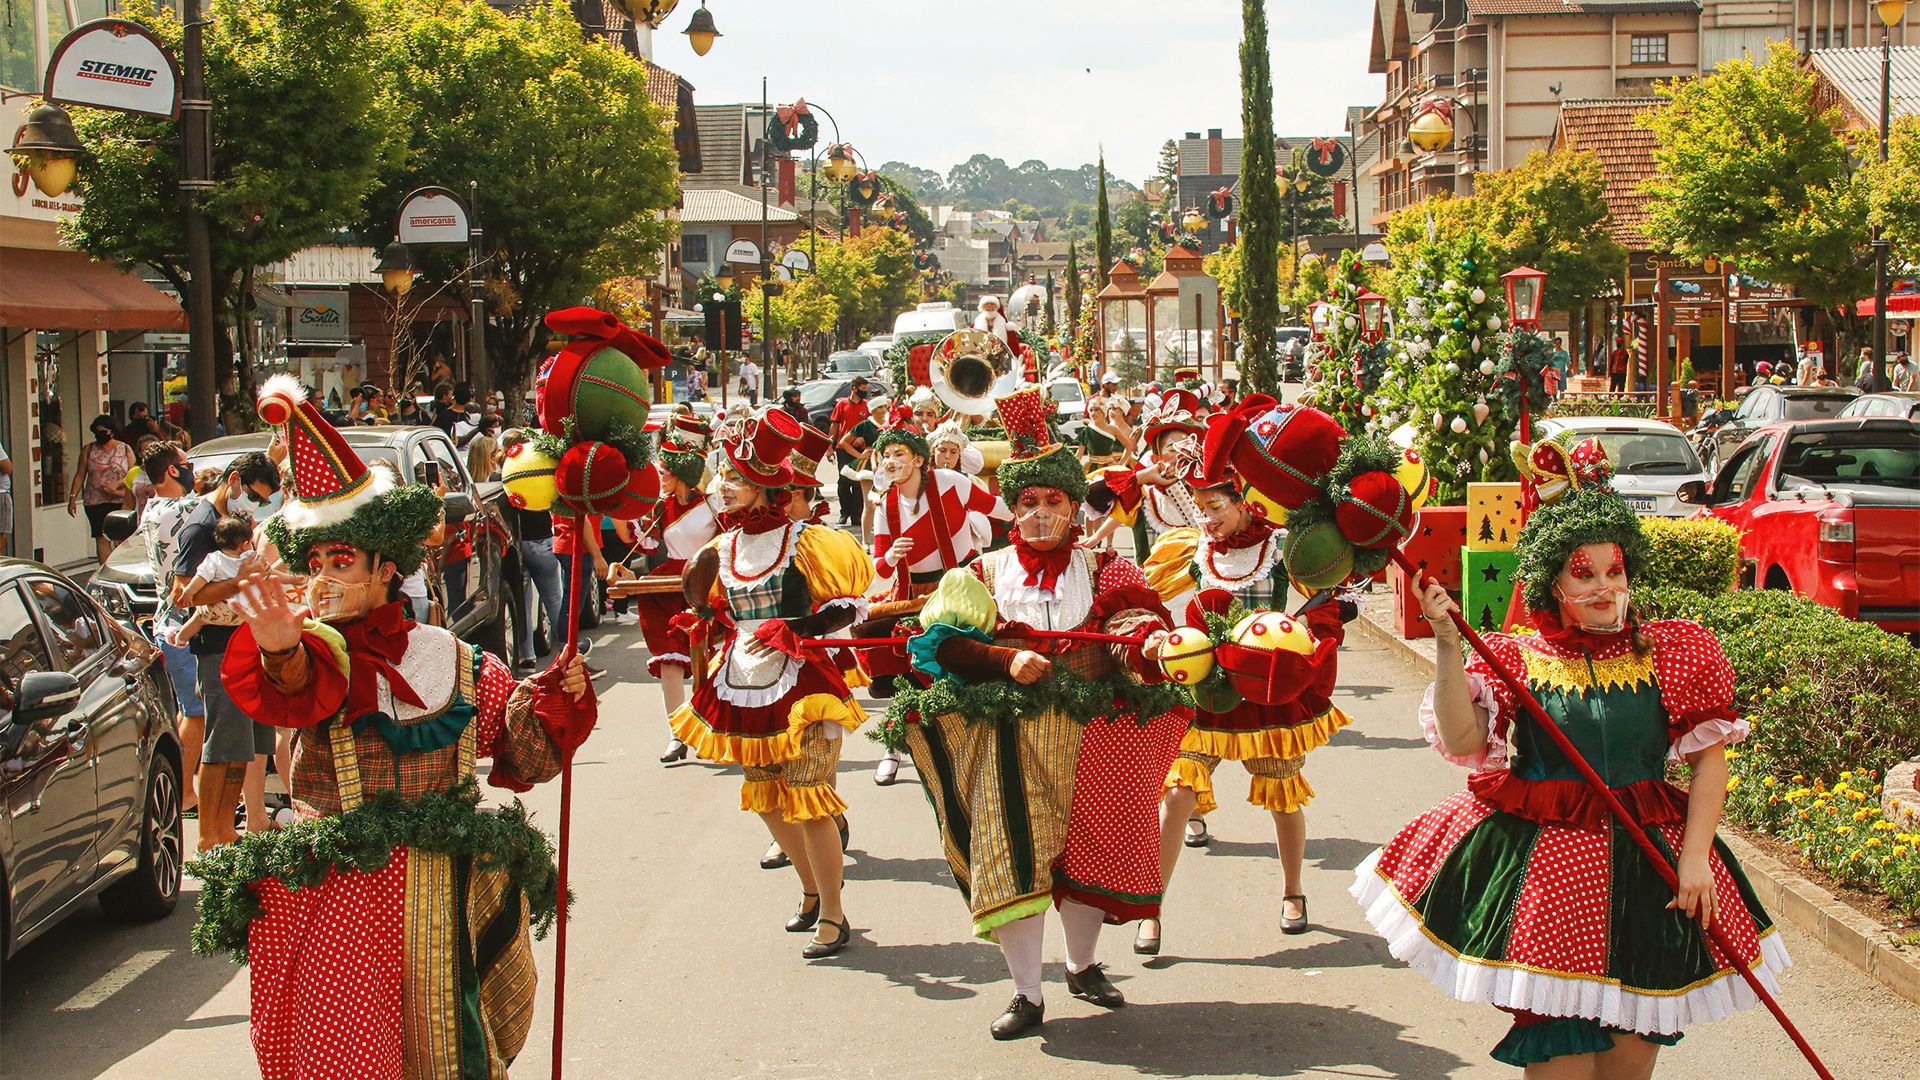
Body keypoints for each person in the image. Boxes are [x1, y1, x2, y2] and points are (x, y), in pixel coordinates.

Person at [196, 376, 592, 1080]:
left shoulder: (462, 661)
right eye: (313, 561)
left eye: (340, 561)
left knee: (448, 1057)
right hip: (340, 905)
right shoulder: (317, 652)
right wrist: (282, 645)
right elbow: (297, 691)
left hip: (446, 900)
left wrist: (559, 696)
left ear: (387, 568)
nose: (322, 576)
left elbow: (528, 758)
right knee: (347, 1061)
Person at [1352, 438, 1786, 1076]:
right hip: (1553, 896)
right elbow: (1466, 742)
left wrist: (1696, 857)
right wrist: (1447, 643)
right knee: (1562, 1065)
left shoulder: (1674, 651)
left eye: (1616, 572)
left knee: (1628, 1069)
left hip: (1649, 883)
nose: (1606, 589)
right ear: (1553, 581)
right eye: (1584, 574)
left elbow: (1709, 762)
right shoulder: (1517, 657)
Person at [897, 386, 1186, 1039]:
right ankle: (1026, 993)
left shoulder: (1105, 565)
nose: (1040, 514)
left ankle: (1081, 966)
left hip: (1095, 737)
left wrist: (1152, 643)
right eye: (1028, 502)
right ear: (1011, 509)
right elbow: (941, 646)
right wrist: (1003, 660)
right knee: (1014, 860)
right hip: (1009, 741)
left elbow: (1137, 624)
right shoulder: (983, 571)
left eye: (1053, 501)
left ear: (1074, 508)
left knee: (1086, 858)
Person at [667, 407, 875, 959]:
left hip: (802, 680)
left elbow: (850, 606)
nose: (722, 487)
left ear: (764, 487)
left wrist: (799, 625)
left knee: (809, 795)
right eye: (723, 476)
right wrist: (704, 621)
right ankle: (809, 891)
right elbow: (718, 606)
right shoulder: (720, 549)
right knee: (766, 797)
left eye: (734, 478)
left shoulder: (809, 541)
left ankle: (834, 911)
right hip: (742, 678)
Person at [1136, 470, 1355, 953]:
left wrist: (1308, 640)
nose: (1208, 518)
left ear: (1242, 503)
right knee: (1176, 797)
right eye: (1201, 508)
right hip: (1207, 691)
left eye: (1216, 506)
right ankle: (1151, 907)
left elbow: (1323, 602)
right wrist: (1158, 637)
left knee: (1282, 795)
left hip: (1265, 693)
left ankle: (1293, 891)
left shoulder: (1279, 549)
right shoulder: (1190, 551)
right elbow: (1156, 602)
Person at [849, 421, 1010, 787]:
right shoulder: (885, 503)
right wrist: (890, 555)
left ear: (919, 459)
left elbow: (1000, 509)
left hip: (960, 585)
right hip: (911, 591)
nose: (890, 461)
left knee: (966, 663)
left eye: (898, 455)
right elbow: (879, 565)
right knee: (901, 668)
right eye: (885, 455)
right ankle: (893, 746)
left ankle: (975, 749)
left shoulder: (951, 483)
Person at [175, 449, 283, 849]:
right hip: (217, 651)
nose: (256, 505)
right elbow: (182, 595)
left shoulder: (230, 523)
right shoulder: (201, 527)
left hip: (247, 644)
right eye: (254, 496)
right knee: (221, 746)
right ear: (234, 480)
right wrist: (240, 583)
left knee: (243, 748)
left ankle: (225, 828)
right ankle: (207, 836)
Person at [141, 442, 207, 816]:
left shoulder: (151, 509)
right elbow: (215, 503)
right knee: (195, 713)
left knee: (188, 711)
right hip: (180, 628)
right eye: (187, 464)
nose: (191, 470)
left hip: (169, 624)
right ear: (171, 471)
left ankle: (185, 790)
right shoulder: (174, 509)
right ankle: (183, 794)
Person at [168, 516, 253, 646]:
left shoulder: (214, 559)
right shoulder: (250, 558)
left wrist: (189, 593)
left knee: (198, 618)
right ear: (246, 543)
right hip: (241, 612)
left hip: (216, 611)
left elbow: (201, 578)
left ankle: (180, 639)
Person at [70, 414, 136, 565]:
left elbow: (133, 474)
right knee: (101, 537)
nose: (100, 435)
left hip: (120, 498)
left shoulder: (124, 448)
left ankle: (123, 567)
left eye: (104, 431)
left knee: (121, 537)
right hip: (95, 500)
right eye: (97, 432)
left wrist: (117, 484)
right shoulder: (89, 449)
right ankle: (105, 569)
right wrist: (73, 497)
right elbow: (80, 474)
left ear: (112, 431)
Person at [830, 377, 871, 527]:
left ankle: (857, 515)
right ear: (854, 388)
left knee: (859, 482)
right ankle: (844, 512)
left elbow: (871, 426)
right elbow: (834, 427)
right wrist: (829, 447)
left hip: (861, 449)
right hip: (843, 449)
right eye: (863, 389)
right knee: (844, 482)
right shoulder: (842, 404)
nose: (865, 392)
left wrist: (863, 438)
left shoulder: (867, 406)